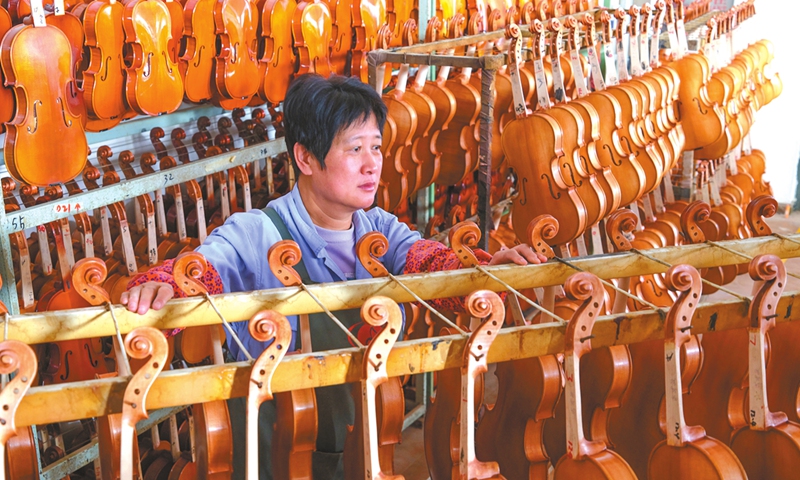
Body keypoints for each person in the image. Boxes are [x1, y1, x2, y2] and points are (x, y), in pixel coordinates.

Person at [122, 73, 546, 479]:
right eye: (354, 149)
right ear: (305, 157)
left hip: (352, 450)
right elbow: (202, 269)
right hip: (268, 459)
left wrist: (486, 272)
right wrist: (162, 286)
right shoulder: (258, 233)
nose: (372, 165)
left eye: (376, 147)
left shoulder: (378, 229)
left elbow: (430, 262)